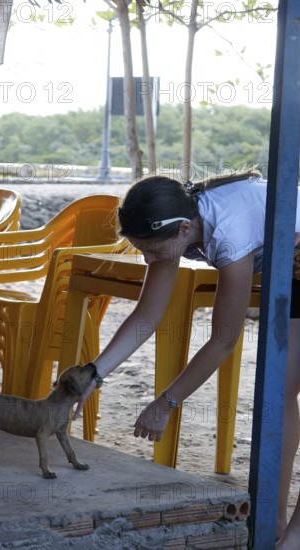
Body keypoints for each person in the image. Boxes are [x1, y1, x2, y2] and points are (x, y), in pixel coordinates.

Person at [72, 171, 300, 548]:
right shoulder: (177, 227)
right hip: (291, 263)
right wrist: (95, 373)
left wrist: (166, 403)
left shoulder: (230, 232)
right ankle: (274, 521)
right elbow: (146, 317)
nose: (147, 257)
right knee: (283, 390)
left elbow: (223, 341)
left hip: (295, 255)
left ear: (181, 230)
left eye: (150, 248)